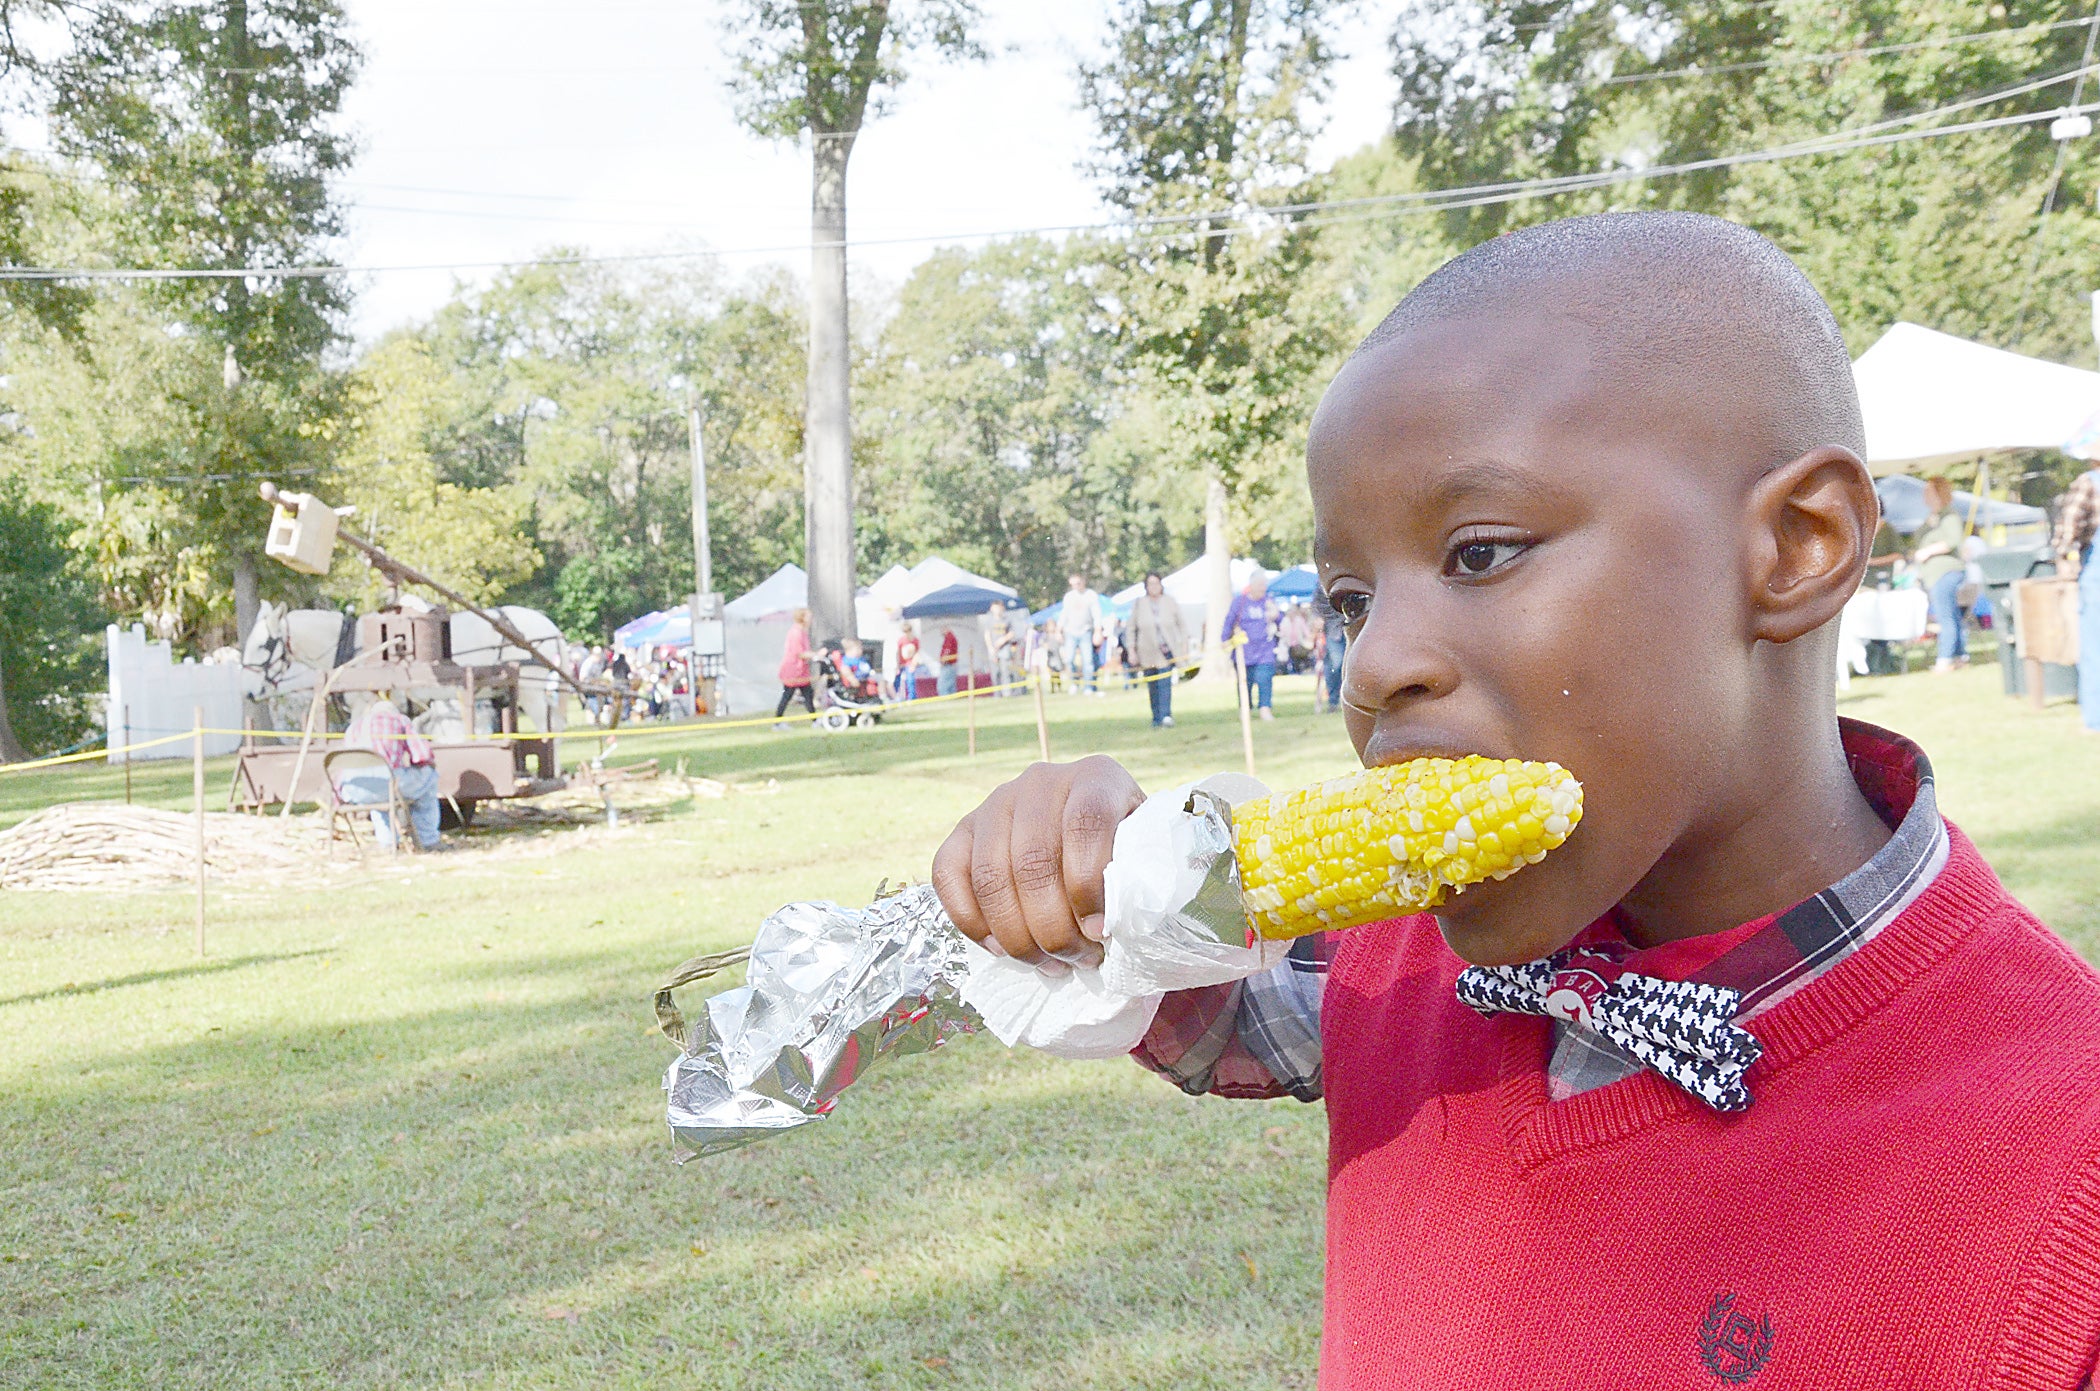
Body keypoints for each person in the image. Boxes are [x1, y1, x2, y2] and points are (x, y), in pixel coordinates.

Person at [929, 213, 2100, 1383]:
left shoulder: (2062, 1158)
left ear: (1799, 545)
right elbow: (1207, 1008)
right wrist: (1094, 858)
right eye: (1348, 599)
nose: (1373, 664)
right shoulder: (1402, 960)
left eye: (1480, 551)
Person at [336, 695, 442, 851]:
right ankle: (428, 841)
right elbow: (423, 756)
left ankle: (387, 843)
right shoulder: (399, 720)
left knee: (379, 789)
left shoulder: (353, 727)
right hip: (387, 784)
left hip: (353, 789)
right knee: (429, 777)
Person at [2055, 462, 2100, 732]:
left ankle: (2096, 717)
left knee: (2095, 646)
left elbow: (2069, 526)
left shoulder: (2090, 482)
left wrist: (2063, 554)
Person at [1910, 475, 1971, 672]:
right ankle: (1960, 655)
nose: (1924, 496)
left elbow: (1953, 540)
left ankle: (1944, 659)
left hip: (1945, 572)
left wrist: (1927, 551)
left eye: (1928, 492)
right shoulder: (1933, 517)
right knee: (1951, 615)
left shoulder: (1949, 516)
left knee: (1944, 616)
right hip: (1932, 573)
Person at [1125, 572, 1187, 728]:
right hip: (1147, 651)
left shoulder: (1169, 602)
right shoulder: (1139, 604)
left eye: (1156, 583)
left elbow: (1182, 625)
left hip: (1166, 651)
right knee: (1153, 685)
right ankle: (1156, 716)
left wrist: (1183, 645)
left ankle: (1166, 715)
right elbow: (1131, 628)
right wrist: (1131, 650)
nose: (1154, 587)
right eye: (1150, 584)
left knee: (1164, 683)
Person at [1220, 573, 1280, 719]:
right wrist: (1224, 640)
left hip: (1265, 649)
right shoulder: (1239, 602)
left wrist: (1276, 615)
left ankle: (1265, 708)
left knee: (1265, 678)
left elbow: (1280, 620)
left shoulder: (1268, 602)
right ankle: (1245, 708)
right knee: (1244, 681)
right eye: (1260, 585)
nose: (1263, 589)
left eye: (1264, 585)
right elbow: (1229, 621)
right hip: (1244, 651)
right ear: (1251, 586)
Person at [1058, 574, 1102, 694]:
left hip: (1085, 631)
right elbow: (1064, 614)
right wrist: (1059, 630)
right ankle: (1074, 683)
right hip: (1070, 632)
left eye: (1078, 583)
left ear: (1083, 582)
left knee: (1088, 661)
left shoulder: (1091, 595)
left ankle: (1088, 686)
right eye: (1073, 584)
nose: (1076, 586)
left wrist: (1098, 631)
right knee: (1069, 659)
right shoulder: (1068, 597)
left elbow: (1096, 614)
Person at [772, 608, 815, 727]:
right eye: (809, 617)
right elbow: (799, 652)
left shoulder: (802, 632)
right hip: (793, 670)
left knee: (808, 694)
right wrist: (816, 655)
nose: (811, 620)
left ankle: (815, 720)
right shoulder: (796, 632)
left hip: (801, 671)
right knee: (787, 695)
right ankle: (777, 722)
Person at [1311, 584, 1346, 713]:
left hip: (1353, 624)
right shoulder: (1324, 577)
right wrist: (1318, 617)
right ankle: (1334, 700)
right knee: (1336, 664)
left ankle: (1345, 700)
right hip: (1333, 628)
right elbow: (1318, 600)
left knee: (1346, 664)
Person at [983, 600, 1017, 695]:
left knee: (1005, 670)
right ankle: (997, 693)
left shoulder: (1007, 620)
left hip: (1005, 648)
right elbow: (987, 634)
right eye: (995, 608)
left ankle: (1007, 692)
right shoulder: (989, 621)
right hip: (993, 649)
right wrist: (990, 647)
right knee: (995, 672)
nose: (997, 610)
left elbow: (1012, 633)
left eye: (999, 607)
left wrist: (1003, 639)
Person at [893, 622, 922, 701]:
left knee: (910, 680)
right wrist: (898, 665)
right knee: (897, 680)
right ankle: (895, 696)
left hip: (910, 663)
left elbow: (916, 653)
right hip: (902, 663)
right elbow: (898, 653)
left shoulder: (915, 641)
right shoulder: (901, 640)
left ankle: (912, 697)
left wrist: (913, 664)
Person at [936, 626, 961, 697]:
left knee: (942, 685)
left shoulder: (949, 638)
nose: (941, 633)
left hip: (948, 665)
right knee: (951, 685)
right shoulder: (952, 637)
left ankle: (945, 699)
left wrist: (943, 660)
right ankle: (952, 699)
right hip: (952, 664)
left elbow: (947, 650)